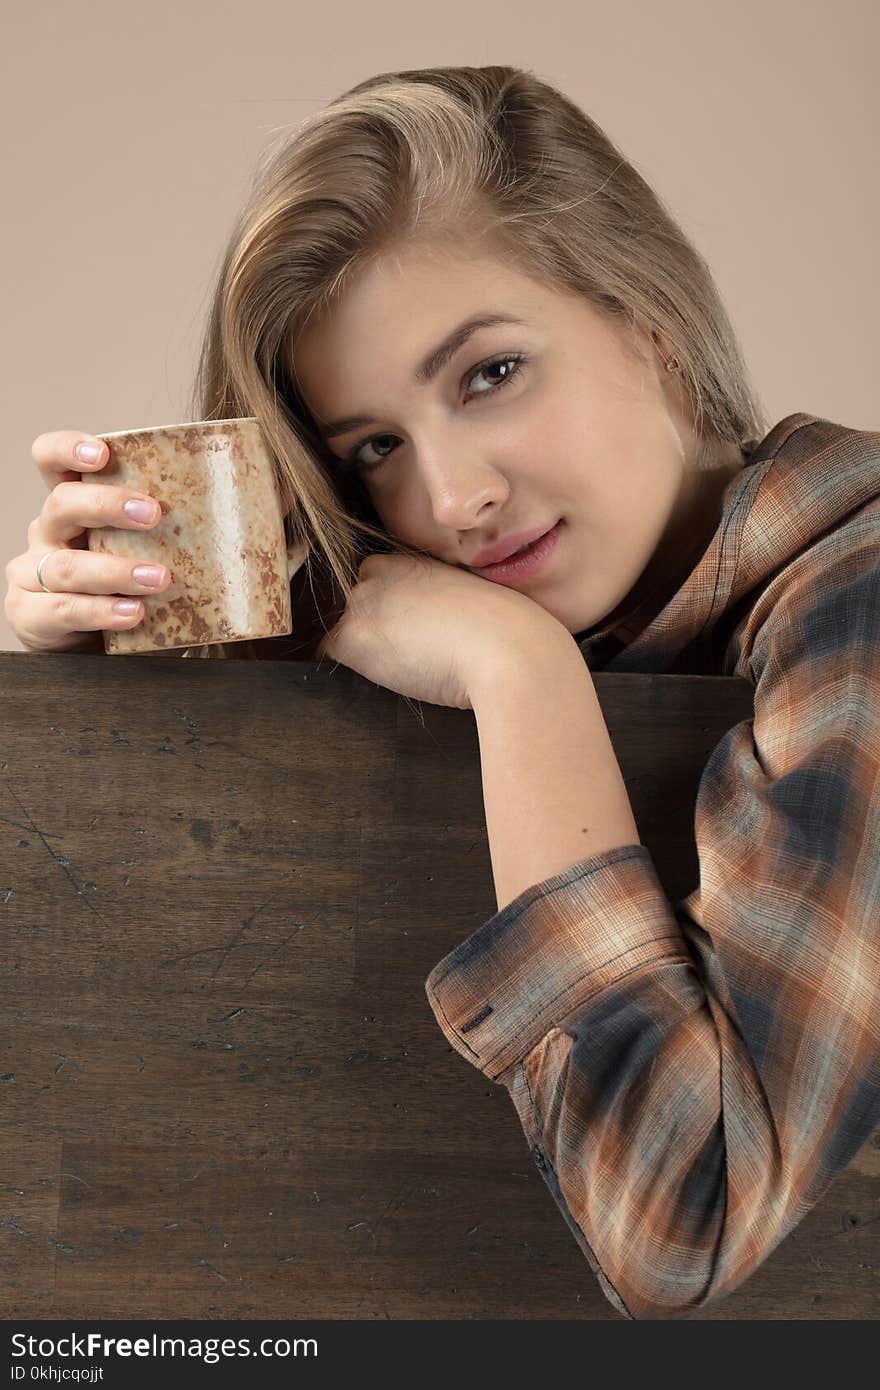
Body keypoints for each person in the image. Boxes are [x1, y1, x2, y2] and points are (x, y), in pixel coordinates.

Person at [5, 64, 879, 1319]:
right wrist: (97, 692)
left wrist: (518, 677)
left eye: (488, 375)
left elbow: (683, 1210)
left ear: (648, 319)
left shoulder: (856, 582)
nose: (446, 499)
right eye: (373, 448)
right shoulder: (498, 591)